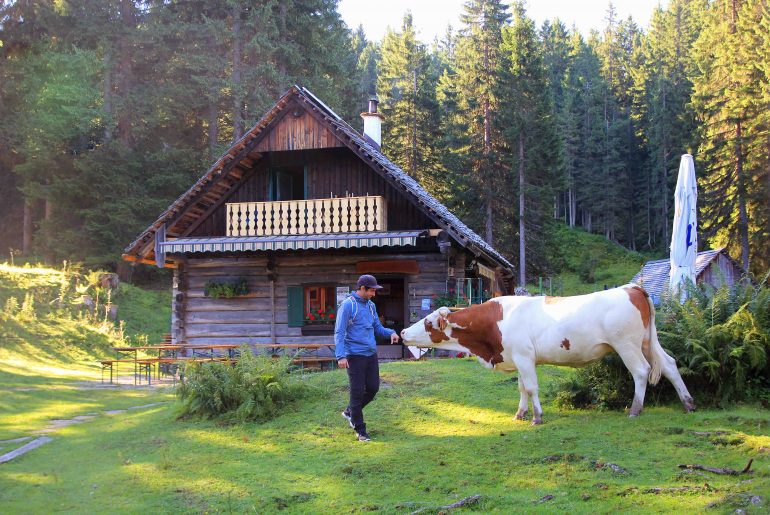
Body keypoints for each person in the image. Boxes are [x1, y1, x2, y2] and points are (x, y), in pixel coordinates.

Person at [334, 274, 399, 442]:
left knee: (372, 388)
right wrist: (340, 356)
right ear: (362, 288)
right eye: (371, 290)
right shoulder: (348, 305)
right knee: (356, 393)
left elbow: (377, 328)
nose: (374, 294)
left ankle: (350, 412)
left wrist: (390, 332)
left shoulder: (371, 306)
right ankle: (360, 430)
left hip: (371, 354)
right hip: (354, 355)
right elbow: (339, 332)